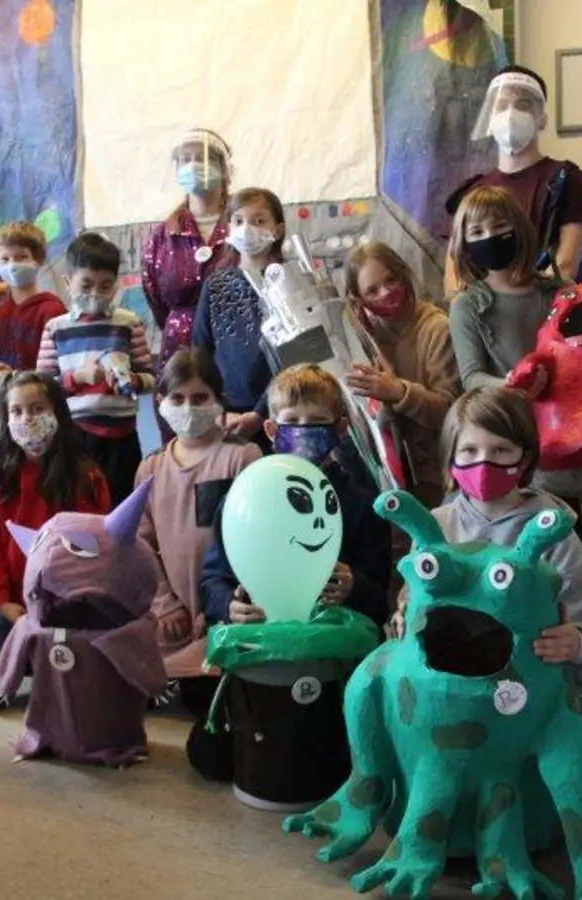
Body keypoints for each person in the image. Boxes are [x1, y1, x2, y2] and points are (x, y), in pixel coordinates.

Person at [388, 390, 582, 823]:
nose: (483, 463)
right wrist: (402, 620)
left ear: (525, 458)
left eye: (500, 451)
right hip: (460, 710)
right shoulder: (435, 529)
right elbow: (410, 617)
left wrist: (578, 646)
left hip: (538, 710)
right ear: (450, 457)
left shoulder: (555, 533)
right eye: (470, 450)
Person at [192, 364, 393, 782]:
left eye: (318, 423)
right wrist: (229, 606)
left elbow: (380, 599)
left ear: (339, 429)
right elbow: (213, 578)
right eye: (292, 422)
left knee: (336, 758)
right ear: (270, 429)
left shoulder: (359, 503)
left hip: (331, 658)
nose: (305, 431)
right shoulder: (242, 498)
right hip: (261, 654)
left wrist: (354, 587)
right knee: (208, 754)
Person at [0, 372, 110, 712]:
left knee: (83, 691)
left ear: (56, 413)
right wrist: (0, 600)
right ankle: (32, 656)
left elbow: (95, 547)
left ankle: (42, 658)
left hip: (68, 601)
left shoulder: (86, 477)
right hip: (11, 602)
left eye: (36, 408)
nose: (27, 419)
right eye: (16, 411)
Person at [133, 349, 261, 712]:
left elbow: (254, 545)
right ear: (161, 402)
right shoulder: (151, 468)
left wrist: (220, 605)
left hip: (226, 612)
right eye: (178, 398)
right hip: (171, 618)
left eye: (200, 397)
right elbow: (139, 544)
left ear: (218, 400)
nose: (188, 407)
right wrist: (164, 604)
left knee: (208, 698)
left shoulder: (243, 457)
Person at [444, 64, 582, 292]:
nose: (510, 113)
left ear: (542, 120)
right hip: (481, 318)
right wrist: (470, 312)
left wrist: (524, 310)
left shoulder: (566, 180)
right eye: (501, 106)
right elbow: (455, 272)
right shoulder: (473, 191)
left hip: (544, 314)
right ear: (490, 117)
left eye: (523, 104)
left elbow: (566, 265)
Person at [35, 232, 154, 506]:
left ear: (116, 286)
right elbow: (42, 388)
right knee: (78, 506)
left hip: (122, 438)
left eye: (105, 286)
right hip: (74, 436)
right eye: (86, 285)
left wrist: (132, 380)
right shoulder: (56, 328)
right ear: (68, 282)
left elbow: (151, 378)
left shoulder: (128, 323)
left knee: (122, 507)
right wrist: (77, 378)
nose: (95, 294)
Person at [340, 240, 460, 510]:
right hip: (400, 476)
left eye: (391, 280)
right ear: (359, 299)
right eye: (372, 290)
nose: (386, 292)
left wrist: (400, 393)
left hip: (440, 474)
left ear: (404, 274)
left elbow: (451, 410)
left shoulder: (437, 328)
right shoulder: (368, 335)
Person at [141, 129, 236, 413]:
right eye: (185, 159)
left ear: (223, 169)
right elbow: (155, 297)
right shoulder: (163, 235)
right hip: (178, 354)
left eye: (202, 158)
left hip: (234, 347)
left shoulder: (241, 225)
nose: (193, 165)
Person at [191, 186, 285, 445]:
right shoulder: (216, 286)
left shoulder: (292, 282)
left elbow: (300, 358)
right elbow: (201, 351)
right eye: (239, 221)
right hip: (227, 414)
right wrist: (217, 408)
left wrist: (259, 414)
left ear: (277, 230)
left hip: (283, 410)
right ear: (229, 228)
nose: (247, 228)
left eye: (258, 221)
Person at [447, 186, 557, 396]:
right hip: (512, 417)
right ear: (465, 244)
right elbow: (471, 377)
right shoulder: (466, 305)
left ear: (520, 230)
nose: (490, 237)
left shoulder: (557, 290)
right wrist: (511, 386)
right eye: (477, 232)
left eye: (499, 226)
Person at [0, 221, 66, 435]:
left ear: (37, 260)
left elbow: (60, 371)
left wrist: (15, 376)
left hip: (37, 415)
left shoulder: (52, 310)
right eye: (5, 259)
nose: (12, 265)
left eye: (21, 257)